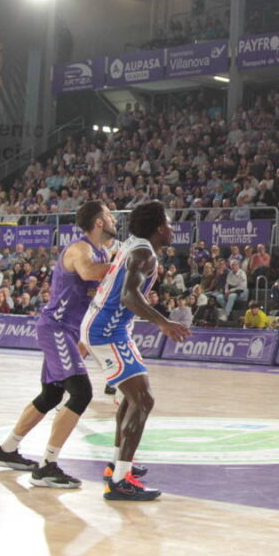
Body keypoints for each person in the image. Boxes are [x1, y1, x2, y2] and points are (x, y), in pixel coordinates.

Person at [0, 202, 116, 489]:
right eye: (109, 215)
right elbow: (89, 273)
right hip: (57, 328)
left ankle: (6, 449)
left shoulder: (103, 252)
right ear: (98, 222)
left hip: (70, 332)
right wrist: (124, 265)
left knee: (50, 395)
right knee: (81, 393)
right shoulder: (80, 250)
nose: (113, 219)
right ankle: (47, 466)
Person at [82, 201, 191, 501]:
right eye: (168, 223)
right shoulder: (144, 253)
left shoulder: (135, 244)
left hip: (112, 327)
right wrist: (163, 322)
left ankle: (118, 465)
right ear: (159, 228)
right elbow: (129, 297)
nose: (172, 228)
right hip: (106, 330)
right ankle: (120, 481)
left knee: (134, 397)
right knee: (143, 399)